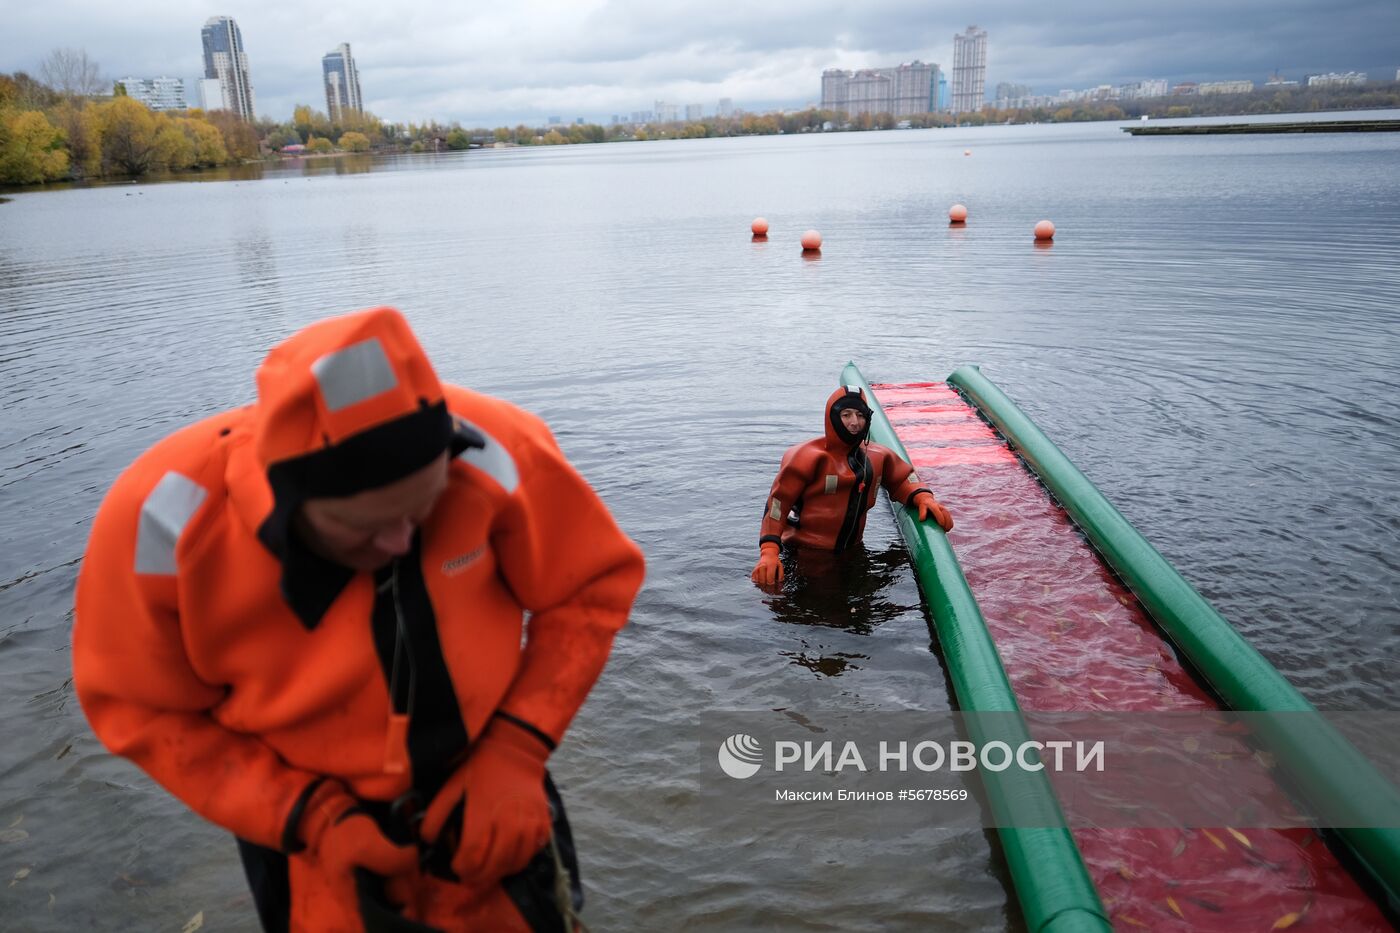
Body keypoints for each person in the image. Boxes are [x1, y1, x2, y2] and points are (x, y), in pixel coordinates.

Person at [73, 307, 645, 932]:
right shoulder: (158, 522)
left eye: (423, 509)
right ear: (289, 503)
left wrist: (518, 748)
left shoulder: (498, 447)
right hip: (305, 832)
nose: (401, 543)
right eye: (366, 528)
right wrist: (305, 815)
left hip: (489, 787)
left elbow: (589, 587)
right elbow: (138, 708)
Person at [751, 385, 952, 589]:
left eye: (860, 415)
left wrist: (923, 497)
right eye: (846, 415)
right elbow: (777, 505)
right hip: (802, 554)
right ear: (833, 417)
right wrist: (769, 551)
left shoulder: (878, 457)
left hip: (852, 552)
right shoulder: (807, 458)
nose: (854, 422)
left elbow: (904, 478)